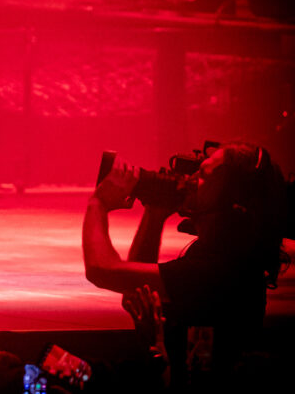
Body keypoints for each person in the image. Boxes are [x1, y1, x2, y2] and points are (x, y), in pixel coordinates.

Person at [83, 142, 289, 379]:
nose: (190, 179)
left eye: (203, 175)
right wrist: (155, 214)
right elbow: (136, 293)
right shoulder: (219, 256)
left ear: (230, 196)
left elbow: (101, 270)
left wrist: (98, 203)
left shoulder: (216, 272)